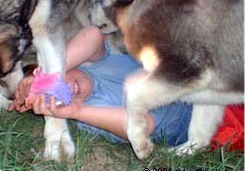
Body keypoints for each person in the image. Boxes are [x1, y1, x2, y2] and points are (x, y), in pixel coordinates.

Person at [10, 26, 192, 146]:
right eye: (54, 99)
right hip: (194, 124)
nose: (64, 94)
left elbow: (93, 34)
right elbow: (145, 125)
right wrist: (77, 111)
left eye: (53, 85)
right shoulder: (90, 115)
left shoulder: (95, 63)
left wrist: (47, 73)